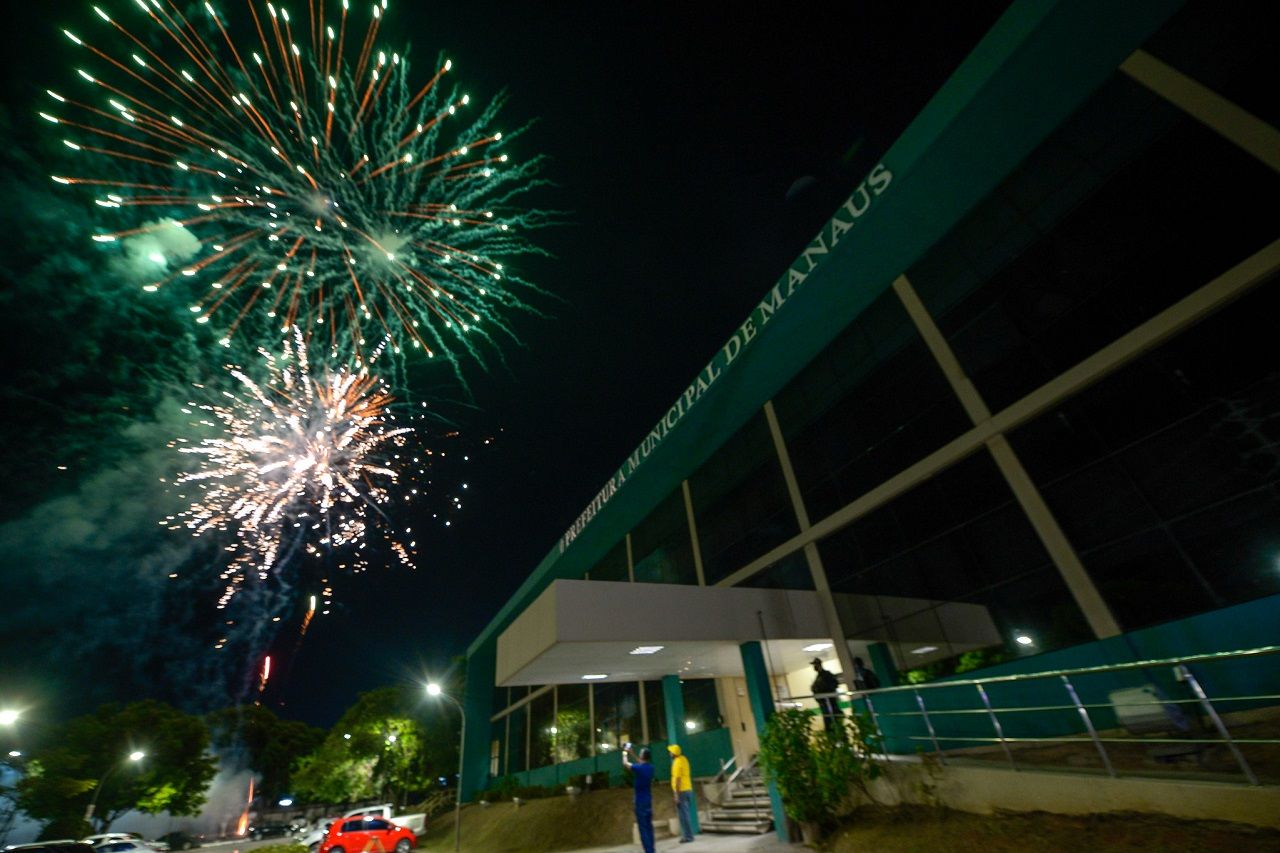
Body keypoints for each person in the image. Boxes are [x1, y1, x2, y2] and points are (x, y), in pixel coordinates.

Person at [622, 744, 655, 853]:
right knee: (649, 827)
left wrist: (625, 752)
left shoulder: (639, 768)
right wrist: (632, 753)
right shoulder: (650, 768)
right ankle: (652, 850)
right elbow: (641, 763)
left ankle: (648, 851)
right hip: (648, 801)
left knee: (643, 829)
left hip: (640, 803)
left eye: (640, 753)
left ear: (642, 756)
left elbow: (625, 764)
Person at [667, 743, 695, 843]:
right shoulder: (684, 759)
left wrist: (676, 796)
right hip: (688, 789)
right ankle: (688, 835)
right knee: (686, 814)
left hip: (681, 791)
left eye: (670, 752)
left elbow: (678, 780)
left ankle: (688, 836)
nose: (669, 753)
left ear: (673, 754)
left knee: (683, 816)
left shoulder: (676, 763)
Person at [810, 657, 843, 733]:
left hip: (830, 703)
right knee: (828, 725)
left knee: (835, 724)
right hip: (824, 704)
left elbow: (834, 684)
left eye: (815, 665)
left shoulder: (827, 674)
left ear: (819, 665)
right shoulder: (818, 677)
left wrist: (823, 689)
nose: (814, 667)